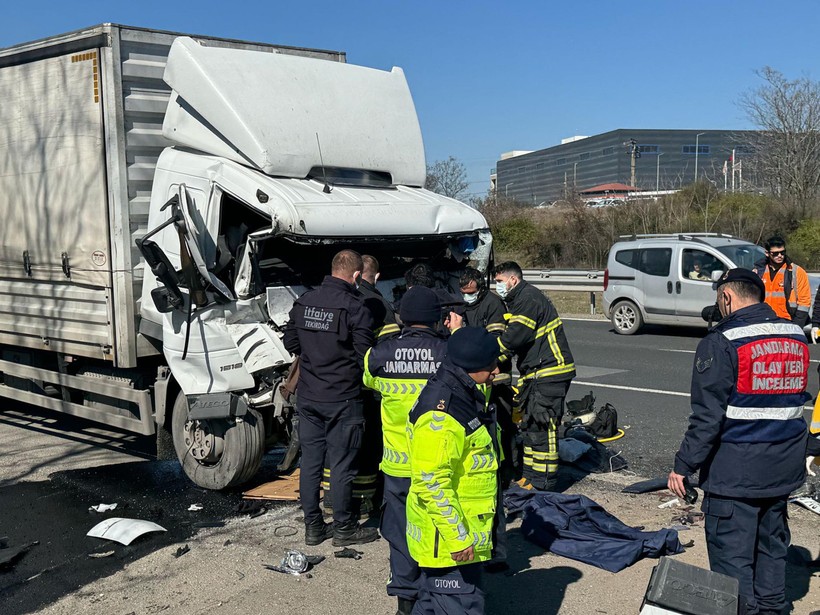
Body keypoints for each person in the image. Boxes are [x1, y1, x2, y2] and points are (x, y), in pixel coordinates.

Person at [668, 268, 810, 615]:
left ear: (727, 297)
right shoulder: (795, 334)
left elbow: (707, 418)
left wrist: (683, 467)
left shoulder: (722, 341)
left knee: (732, 567)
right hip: (782, 471)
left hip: (735, 476)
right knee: (772, 552)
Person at [363, 287, 455, 615]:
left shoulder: (380, 354)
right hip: (440, 466)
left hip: (398, 467)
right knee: (439, 530)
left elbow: (369, 380)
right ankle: (440, 594)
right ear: (436, 318)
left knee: (401, 533)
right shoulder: (450, 352)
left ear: (402, 317)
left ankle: (405, 601)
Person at [283, 249, 379, 547]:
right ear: (354, 276)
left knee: (311, 463)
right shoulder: (356, 308)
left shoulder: (304, 302)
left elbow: (290, 342)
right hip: (343, 399)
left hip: (309, 396)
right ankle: (343, 528)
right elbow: (366, 355)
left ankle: (313, 528)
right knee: (341, 465)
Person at [406, 327, 501, 615]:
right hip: (448, 544)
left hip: (451, 536)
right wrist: (459, 539)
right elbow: (431, 482)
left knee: (430, 605)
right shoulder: (442, 415)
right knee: (461, 605)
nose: (497, 370)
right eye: (490, 365)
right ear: (472, 367)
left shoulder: (458, 389)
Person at [493, 261, 576, 492]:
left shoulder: (527, 299)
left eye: (499, 282)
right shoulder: (518, 299)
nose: (497, 286)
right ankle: (530, 479)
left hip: (549, 371)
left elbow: (513, 338)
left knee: (542, 428)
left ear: (513, 280)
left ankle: (543, 486)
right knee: (529, 427)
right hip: (535, 373)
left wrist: (489, 357)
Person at [459, 267, 514, 573]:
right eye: (462, 290)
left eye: (469, 290)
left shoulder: (491, 304)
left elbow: (494, 346)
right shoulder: (462, 305)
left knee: (501, 435)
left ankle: (495, 554)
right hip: (473, 383)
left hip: (492, 382)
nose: (466, 295)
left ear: (478, 287)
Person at [752, 235, 811, 328]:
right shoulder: (758, 272)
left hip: (787, 322)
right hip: (762, 322)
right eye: (775, 253)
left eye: (782, 252)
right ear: (767, 253)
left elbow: (804, 302)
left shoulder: (796, 271)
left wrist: (797, 326)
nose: (780, 256)